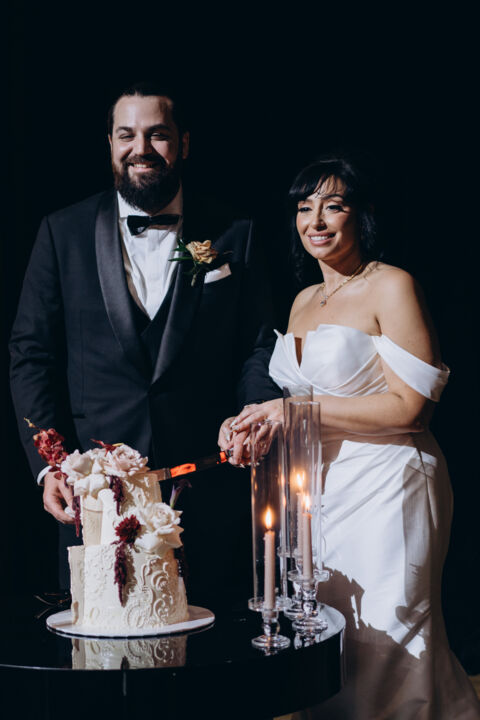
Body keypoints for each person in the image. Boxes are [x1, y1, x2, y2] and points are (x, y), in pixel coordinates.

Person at [220, 157, 480, 718]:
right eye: (304, 208)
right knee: (335, 639)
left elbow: (412, 409)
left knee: (392, 636)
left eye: (333, 206)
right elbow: (296, 403)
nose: (315, 221)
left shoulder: (392, 285)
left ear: (361, 215)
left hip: (391, 484)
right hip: (320, 492)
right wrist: (254, 423)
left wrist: (292, 412)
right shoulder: (303, 300)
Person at [9, 81, 278, 611]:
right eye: (127, 135)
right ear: (110, 144)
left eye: (158, 134)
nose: (141, 148)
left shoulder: (235, 232)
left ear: (183, 144)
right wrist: (51, 465)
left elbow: (259, 343)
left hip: (209, 490)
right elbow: (31, 354)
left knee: (214, 641)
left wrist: (253, 414)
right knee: (102, 646)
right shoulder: (61, 232)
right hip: (93, 497)